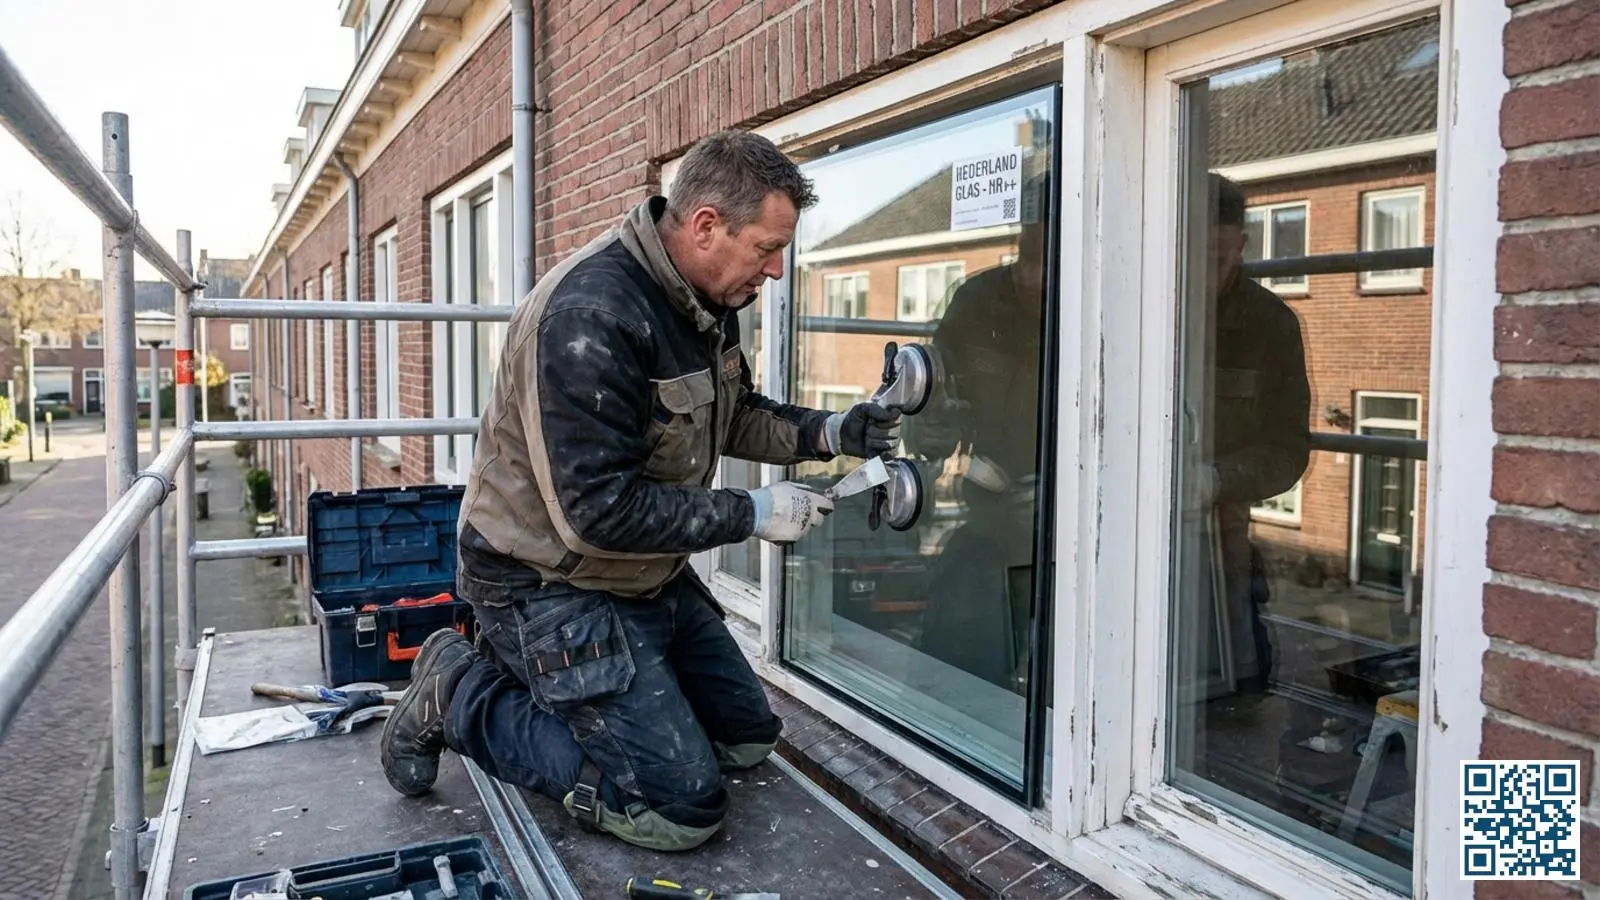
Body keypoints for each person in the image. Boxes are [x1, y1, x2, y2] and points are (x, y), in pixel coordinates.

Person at [377, 130, 902, 853]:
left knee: (746, 740)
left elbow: (732, 412)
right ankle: (457, 688)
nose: (777, 270)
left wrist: (832, 432)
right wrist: (751, 512)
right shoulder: (590, 318)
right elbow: (598, 515)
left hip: (640, 574)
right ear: (706, 225)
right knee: (678, 809)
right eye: (766, 248)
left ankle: (586, 692)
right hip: (545, 581)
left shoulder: (705, 297)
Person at [1195, 173, 1312, 695]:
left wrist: (1216, 480)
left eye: (1215, 259)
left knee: (1238, 678)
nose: (1200, 276)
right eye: (1189, 256)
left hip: (1220, 538)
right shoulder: (1129, 306)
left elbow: (1288, 450)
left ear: (1239, 247)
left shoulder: (1270, 325)